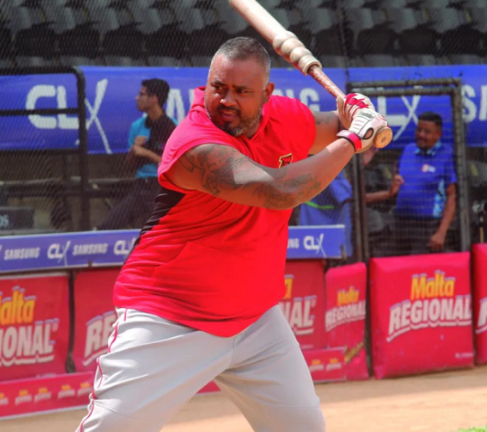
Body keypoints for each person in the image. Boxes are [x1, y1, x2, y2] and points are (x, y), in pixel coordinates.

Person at [75, 37, 388, 432]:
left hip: (256, 321)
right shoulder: (194, 143)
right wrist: (355, 138)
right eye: (219, 88)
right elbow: (279, 190)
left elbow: (338, 127)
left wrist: (357, 112)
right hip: (171, 317)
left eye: (241, 91)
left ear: (267, 94)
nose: (226, 100)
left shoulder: (285, 117)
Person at [96, 78, 177, 230]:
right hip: (140, 187)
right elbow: (130, 164)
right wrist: (134, 150)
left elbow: (173, 165)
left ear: (154, 99)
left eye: (141, 94)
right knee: (106, 227)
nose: (137, 98)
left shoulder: (173, 127)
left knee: (155, 230)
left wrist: (146, 152)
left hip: (162, 188)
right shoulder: (137, 127)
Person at [393, 112, 457, 255]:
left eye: (427, 132)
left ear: (438, 134)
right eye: (419, 130)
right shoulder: (408, 150)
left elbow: (451, 196)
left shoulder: (445, 155)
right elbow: (397, 172)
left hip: (428, 226)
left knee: (417, 266)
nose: (421, 135)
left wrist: (441, 232)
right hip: (401, 223)